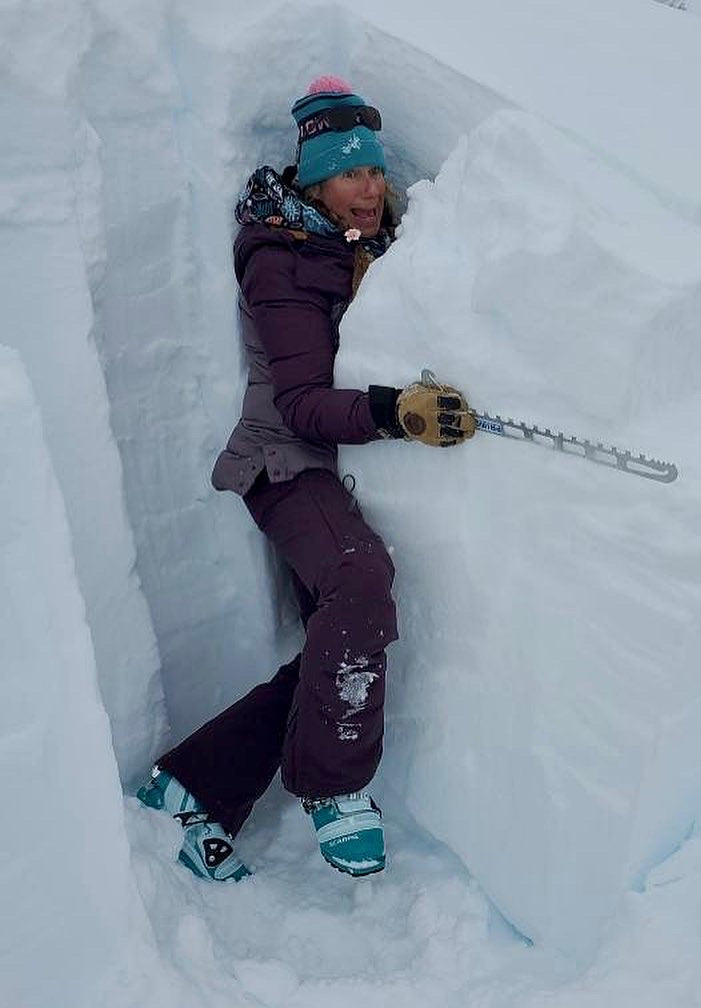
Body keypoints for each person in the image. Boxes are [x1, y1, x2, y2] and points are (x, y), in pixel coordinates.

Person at [136, 76, 475, 882]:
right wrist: (403, 413)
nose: (370, 188)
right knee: (361, 578)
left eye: (375, 172)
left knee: (334, 648)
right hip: (286, 461)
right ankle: (333, 788)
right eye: (351, 174)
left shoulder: (367, 246)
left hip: (340, 467)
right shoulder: (279, 256)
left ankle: (187, 788)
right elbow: (302, 402)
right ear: (316, 180)